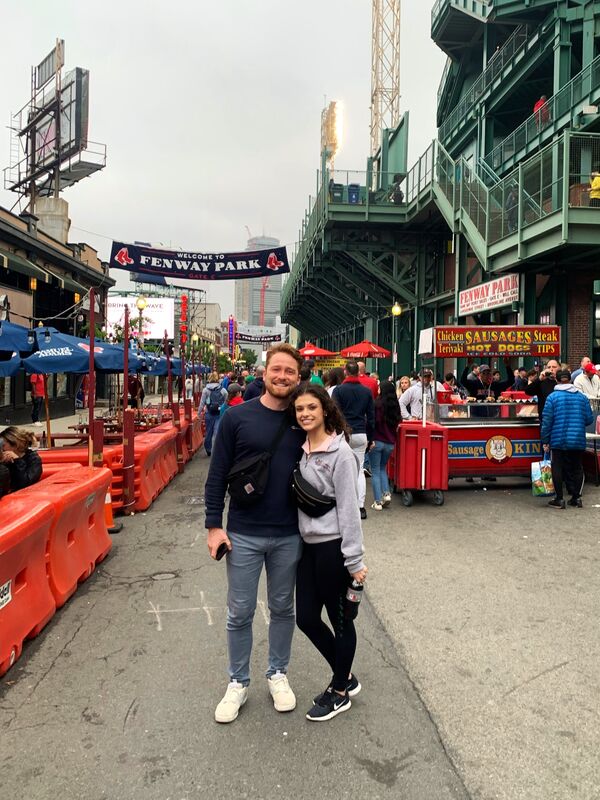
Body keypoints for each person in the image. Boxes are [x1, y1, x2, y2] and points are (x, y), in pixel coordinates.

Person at [204, 344, 305, 724]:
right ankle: (237, 681)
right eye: (276, 369)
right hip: (243, 532)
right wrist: (214, 526)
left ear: (299, 377)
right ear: (264, 373)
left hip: (290, 532)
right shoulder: (236, 418)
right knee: (240, 612)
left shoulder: (304, 418)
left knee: (282, 608)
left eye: (289, 372)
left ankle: (277, 673)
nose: (282, 377)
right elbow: (216, 475)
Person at [292, 384, 367, 721]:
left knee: (340, 622)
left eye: (311, 407)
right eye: (299, 409)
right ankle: (346, 675)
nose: (305, 414)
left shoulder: (341, 454)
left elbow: (350, 509)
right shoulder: (302, 448)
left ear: (325, 410)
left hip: (333, 549)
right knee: (306, 618)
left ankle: (339, 691)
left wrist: (355, 560)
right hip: (307, 548)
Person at [541, 369, 593, 509]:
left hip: (559, 439)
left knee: (557, 467)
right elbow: (589, 419)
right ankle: (576, 498)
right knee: (577, 467)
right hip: (577, 439)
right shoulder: (582, 397)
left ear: (557, 381)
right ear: (570, 380)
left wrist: (545, 440)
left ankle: (559, 499)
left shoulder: (552, 397)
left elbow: (547, 422)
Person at [332, 361, 375, 520]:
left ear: (345, 372)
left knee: (341, 470)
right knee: (359, 471)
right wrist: (371, 438)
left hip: (343, 433)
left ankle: (343, 506)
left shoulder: (338, 390)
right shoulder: (366, 391)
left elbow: (334, 413)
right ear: (359, 372)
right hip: (361, 434)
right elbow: (371, 418)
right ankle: (360, 507)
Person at [369, 381, 400, 511]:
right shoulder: (395, 406)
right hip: (390, 443)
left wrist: (370, 440)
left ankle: (377, 501)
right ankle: (386, 493)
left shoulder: (377, 404)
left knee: (375, 470)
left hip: (377, 441)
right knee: (382, 468)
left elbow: (372, 422)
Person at [0, 427, 42, 494]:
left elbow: (25, 483)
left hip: (27, 497)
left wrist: (17, 461)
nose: (1, 449)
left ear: (15, 444)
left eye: (3, 445)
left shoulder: (33, 459)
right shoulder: (5, 459)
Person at [198, 372, 227, 456]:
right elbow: (226, 400)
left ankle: (208, 448)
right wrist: (222, 407)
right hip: (219, 413)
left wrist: (199, 413)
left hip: (209, 412)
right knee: (217, 431)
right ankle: (218, 449)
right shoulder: (222, 389)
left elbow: (202, 403)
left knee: (209, 431)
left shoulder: (205, 390)